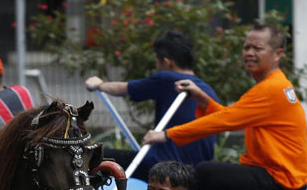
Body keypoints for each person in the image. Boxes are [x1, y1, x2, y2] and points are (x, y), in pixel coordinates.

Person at [143, 23, 307, 190]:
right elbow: (231, 117)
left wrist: (167, 135)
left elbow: (225, 120)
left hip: (281, 180)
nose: (249, 53)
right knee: (205, 171)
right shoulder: (275, 85)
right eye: (247, 47)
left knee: (207, 171)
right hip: (276, 174)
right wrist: (203, 99)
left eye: (257, 48)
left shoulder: (271, 89)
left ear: (278, 54)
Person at [85, 30, 219, 181]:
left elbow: (124, 89)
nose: (156, 66)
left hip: (165, 168)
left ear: (167, 62)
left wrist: (100, 84)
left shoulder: (170, 79)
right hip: (196, 174)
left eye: (156, 60)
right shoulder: (207, 91)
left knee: (91, 156)